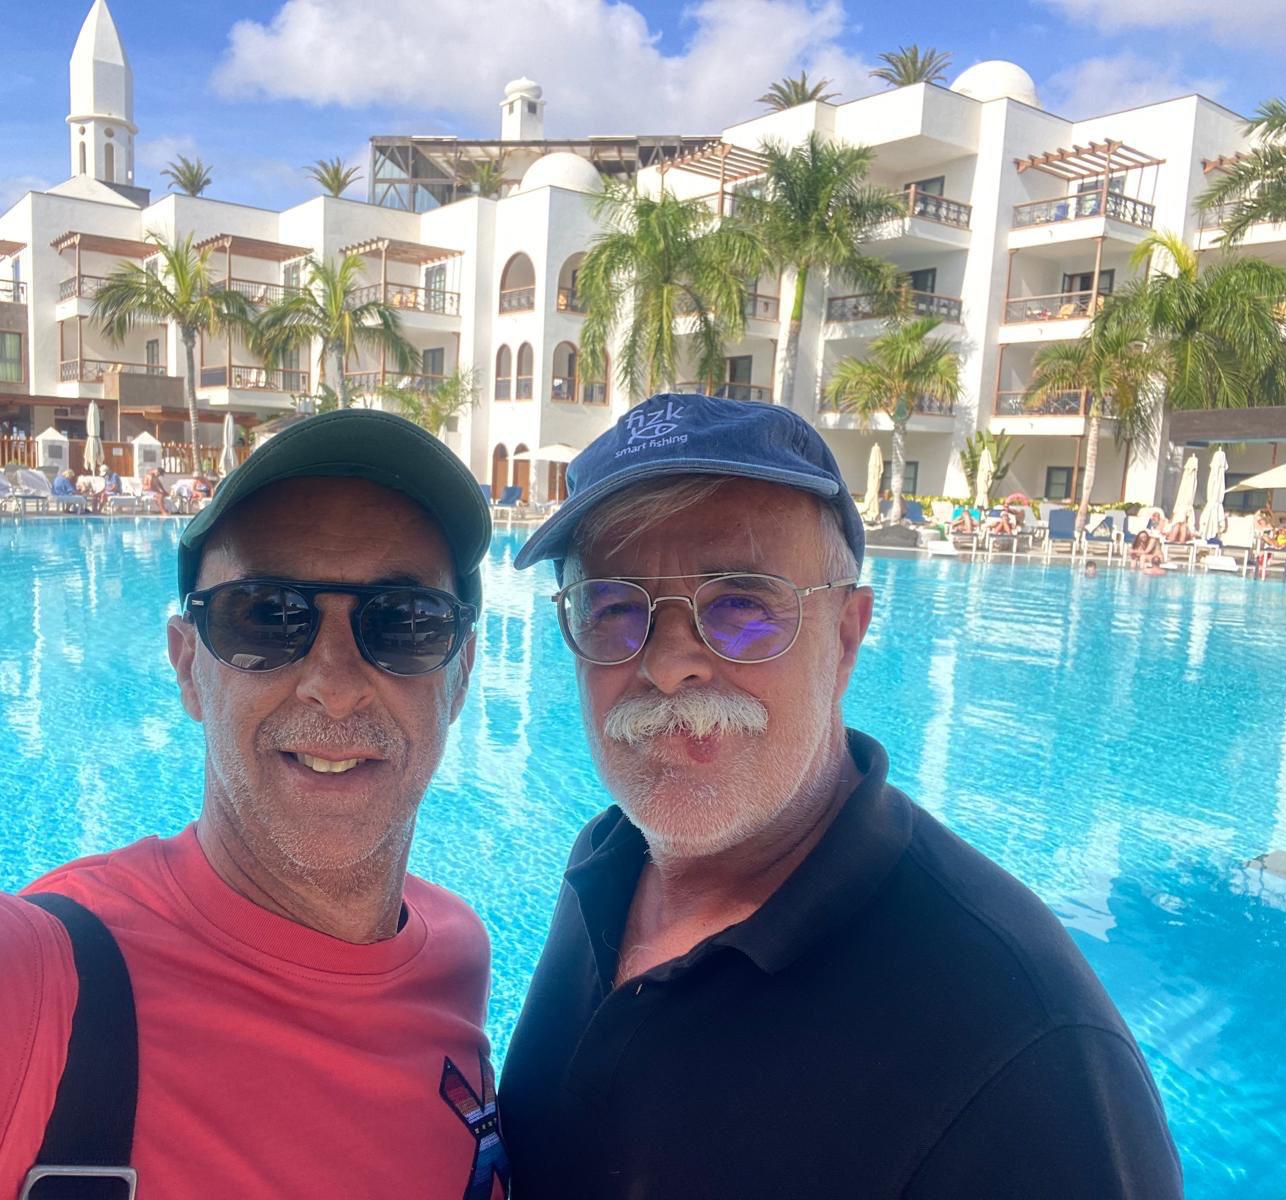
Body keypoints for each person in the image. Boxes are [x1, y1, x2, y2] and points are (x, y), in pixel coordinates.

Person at [0, 410, 508, 1198]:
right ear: (188, 668)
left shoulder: (455, 954)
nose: (335, 682)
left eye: (405, 622)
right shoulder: (17, 992)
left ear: (459, 675)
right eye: (266, 615)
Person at [499, 393, 1181, 1198]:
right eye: (613, 608)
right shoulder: (606, 861)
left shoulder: (1024, 1048)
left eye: (741, 605)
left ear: (847, 637)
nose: (669, 662)